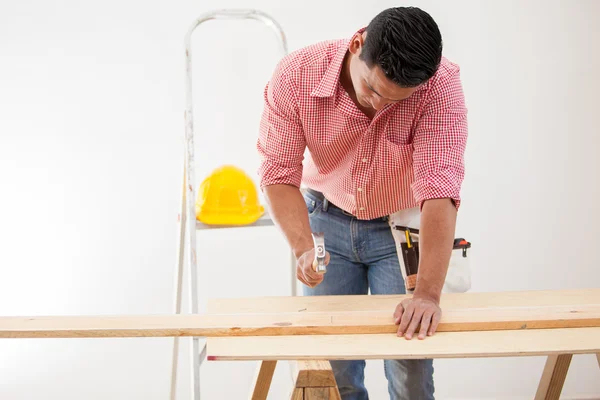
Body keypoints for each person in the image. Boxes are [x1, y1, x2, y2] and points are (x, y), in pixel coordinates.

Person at [256, 6, 468, 400]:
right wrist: (304, 247)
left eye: (396, 101)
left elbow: (439, 187)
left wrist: (426, 295)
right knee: (334, 370)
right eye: (373, 90)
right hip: (324, 220)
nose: (380, 106)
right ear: (357, 45)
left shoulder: (440, 87)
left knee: (411, 372)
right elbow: (278, 172)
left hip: (400, 228)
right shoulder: (296, 74)